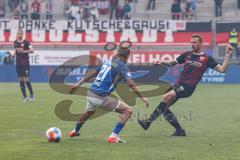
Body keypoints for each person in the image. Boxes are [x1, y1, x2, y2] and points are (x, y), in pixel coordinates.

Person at [138, 34, 233, 136]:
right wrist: (162, 62)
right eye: (191, 42)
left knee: (166, 97)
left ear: (201, 43)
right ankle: (180, 131)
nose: (192, 44)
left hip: (188, 86)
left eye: (195, 42)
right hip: (179, 84)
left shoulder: (207, 58)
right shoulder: (187, 54)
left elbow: (222, 69)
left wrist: (227, 55)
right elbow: (173, 63)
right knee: (164, 108)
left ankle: (148, 122)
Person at [68, 43, 149, 143]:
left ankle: (75, 131)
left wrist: (77, 84)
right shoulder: (122, 66)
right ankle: (113, 136)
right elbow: (131, 84)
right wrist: (143, 97)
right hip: (100, 96)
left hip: (90, 93)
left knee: (89, 112)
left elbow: (93, 72)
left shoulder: (109, 61)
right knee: (128, 111)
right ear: (127, 56)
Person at [12, 30, 35, 103]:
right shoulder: (15, 42)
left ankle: (32, 94)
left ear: (22, 34)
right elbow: (16, 49)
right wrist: (14, 54)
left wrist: (24, 51)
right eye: (18, 33)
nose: (19, 34)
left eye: (20, 33)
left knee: (25, 79)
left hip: (25, 64)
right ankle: (25, 97)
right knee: (20, 80)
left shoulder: (26, 42)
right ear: (17, 34)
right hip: (18, 64)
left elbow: (32, 50)